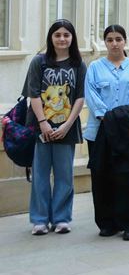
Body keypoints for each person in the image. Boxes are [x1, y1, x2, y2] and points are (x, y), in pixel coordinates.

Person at [84, 25, 129, 240]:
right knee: (102, 176)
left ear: (124, 41)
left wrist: (123, 119)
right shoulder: (94, 67)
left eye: (118, 39)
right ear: (105, 42)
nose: (114, 43)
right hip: (100, 130)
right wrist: (109, 118)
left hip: (128, 131)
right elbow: (91, 96)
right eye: (110, 39)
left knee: (128, 177)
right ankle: (107, 223)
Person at [27, 19, 87, 236]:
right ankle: (40, 220)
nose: (62, 39)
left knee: (64, 175)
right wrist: (43, 123)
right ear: (51, 38)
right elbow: (34, 94)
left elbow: (80, 97)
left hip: (67, 128)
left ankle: (61, 218)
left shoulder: (79, 64)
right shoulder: (39, 61)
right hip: (41, 127)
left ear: (72, 38)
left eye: (66, 35)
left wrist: (67, 125)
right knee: (40, 175)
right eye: (57, 35)